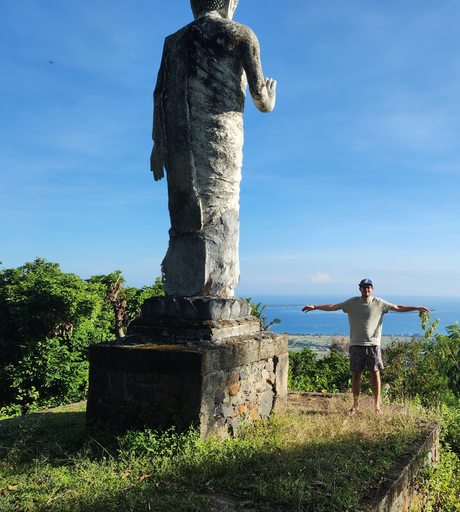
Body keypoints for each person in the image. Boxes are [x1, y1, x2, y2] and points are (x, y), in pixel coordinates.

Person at [151, 0, 276, 298]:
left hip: (181, 142)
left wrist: (159, 144)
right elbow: (261, 97)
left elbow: (160, 95)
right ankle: (216, 287)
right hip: (222, 135)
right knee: (222, 206)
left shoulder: (174, 42)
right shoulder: (240, 33)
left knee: (187, 207)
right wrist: (270, 97)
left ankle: (185, 286)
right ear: (230, 3)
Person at [302, 279, 430, 414]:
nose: (366, 289)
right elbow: (334, 306)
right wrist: (315, 307)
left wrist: (416, 308)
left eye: (368, 287)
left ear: (372, 289)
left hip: (373, 345)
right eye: (363, 287)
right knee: (356, 374)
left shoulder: (379, 303)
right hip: (356, 344)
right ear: (360, 289)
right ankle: (355, 405)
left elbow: (397, 307)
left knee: (375, 374)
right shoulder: (352, 303)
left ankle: (377, 406)